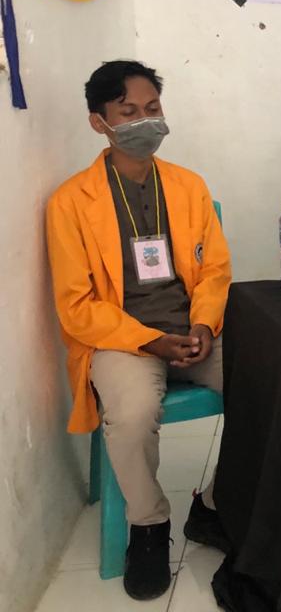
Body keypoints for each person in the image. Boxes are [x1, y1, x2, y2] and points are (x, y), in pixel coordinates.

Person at [45, 61, 232, 601]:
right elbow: (76, 306)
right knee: (130, 416)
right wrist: (150, 340)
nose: (144, 122)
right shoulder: (70, 202)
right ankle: (149, 526)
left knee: (274, 384)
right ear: (98, 122)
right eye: (128, 112)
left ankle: (214, 505)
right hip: (122, 339)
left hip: (195, 330)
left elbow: (215, 270)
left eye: (152, 109)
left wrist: (203, 323)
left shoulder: (188, 186)